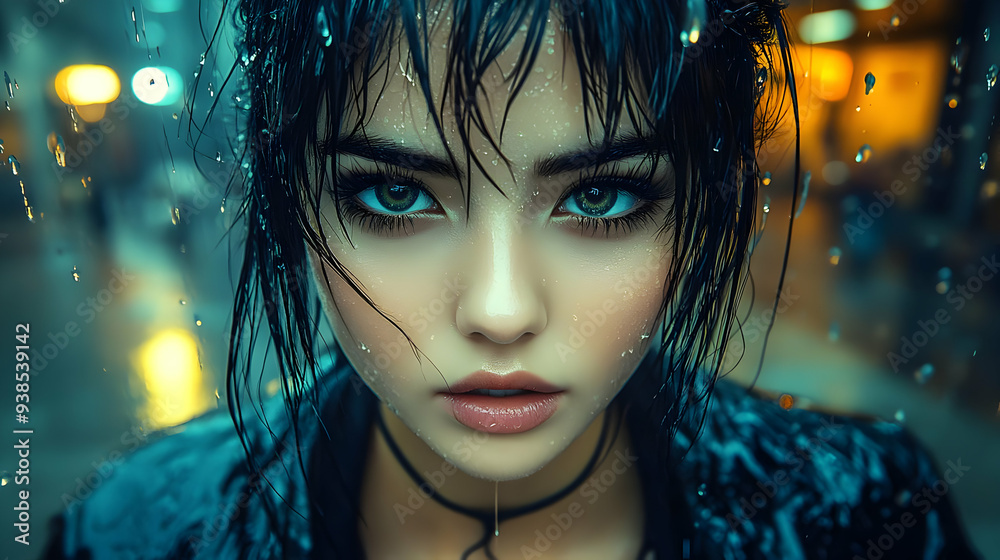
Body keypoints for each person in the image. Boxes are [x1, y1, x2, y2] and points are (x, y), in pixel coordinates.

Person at [45, 0, 981, 558]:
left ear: (698, 206)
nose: (500, 311)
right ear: (301, 205)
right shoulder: (144, 532)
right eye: (396, 196)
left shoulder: (856, 516)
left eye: (605, 198)